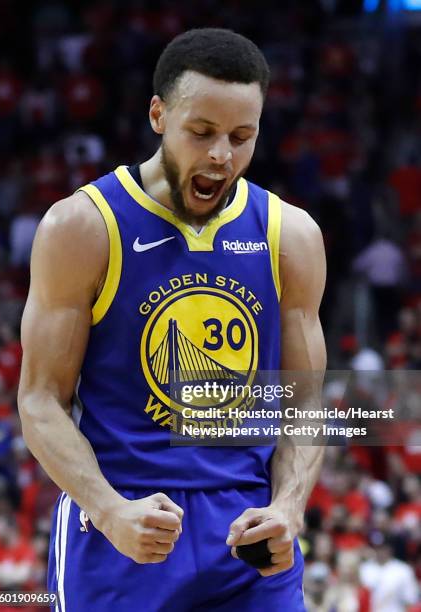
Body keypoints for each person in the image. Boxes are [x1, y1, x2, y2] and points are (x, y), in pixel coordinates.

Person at [18, 28, 327, 611]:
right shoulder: (83, 228)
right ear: (158, 114)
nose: (221, 156)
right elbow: (39, 400)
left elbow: (305, 402)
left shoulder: (292, 235)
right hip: (124, 520)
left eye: (242, 137)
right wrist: (108, 510)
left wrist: (289, 506)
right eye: (203, 132)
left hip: (248, 531)